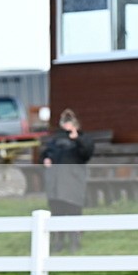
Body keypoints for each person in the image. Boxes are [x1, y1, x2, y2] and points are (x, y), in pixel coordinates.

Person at [41, 108, 94, 253]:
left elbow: (86, 154)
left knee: (73, 211)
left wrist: (77, 139)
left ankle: (75, 241)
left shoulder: (82, 140)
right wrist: (46, 158)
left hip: (73, 182)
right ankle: (58, 242)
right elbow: (47, 152)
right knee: (57, 211)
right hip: (56, 182)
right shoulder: (57, 140)